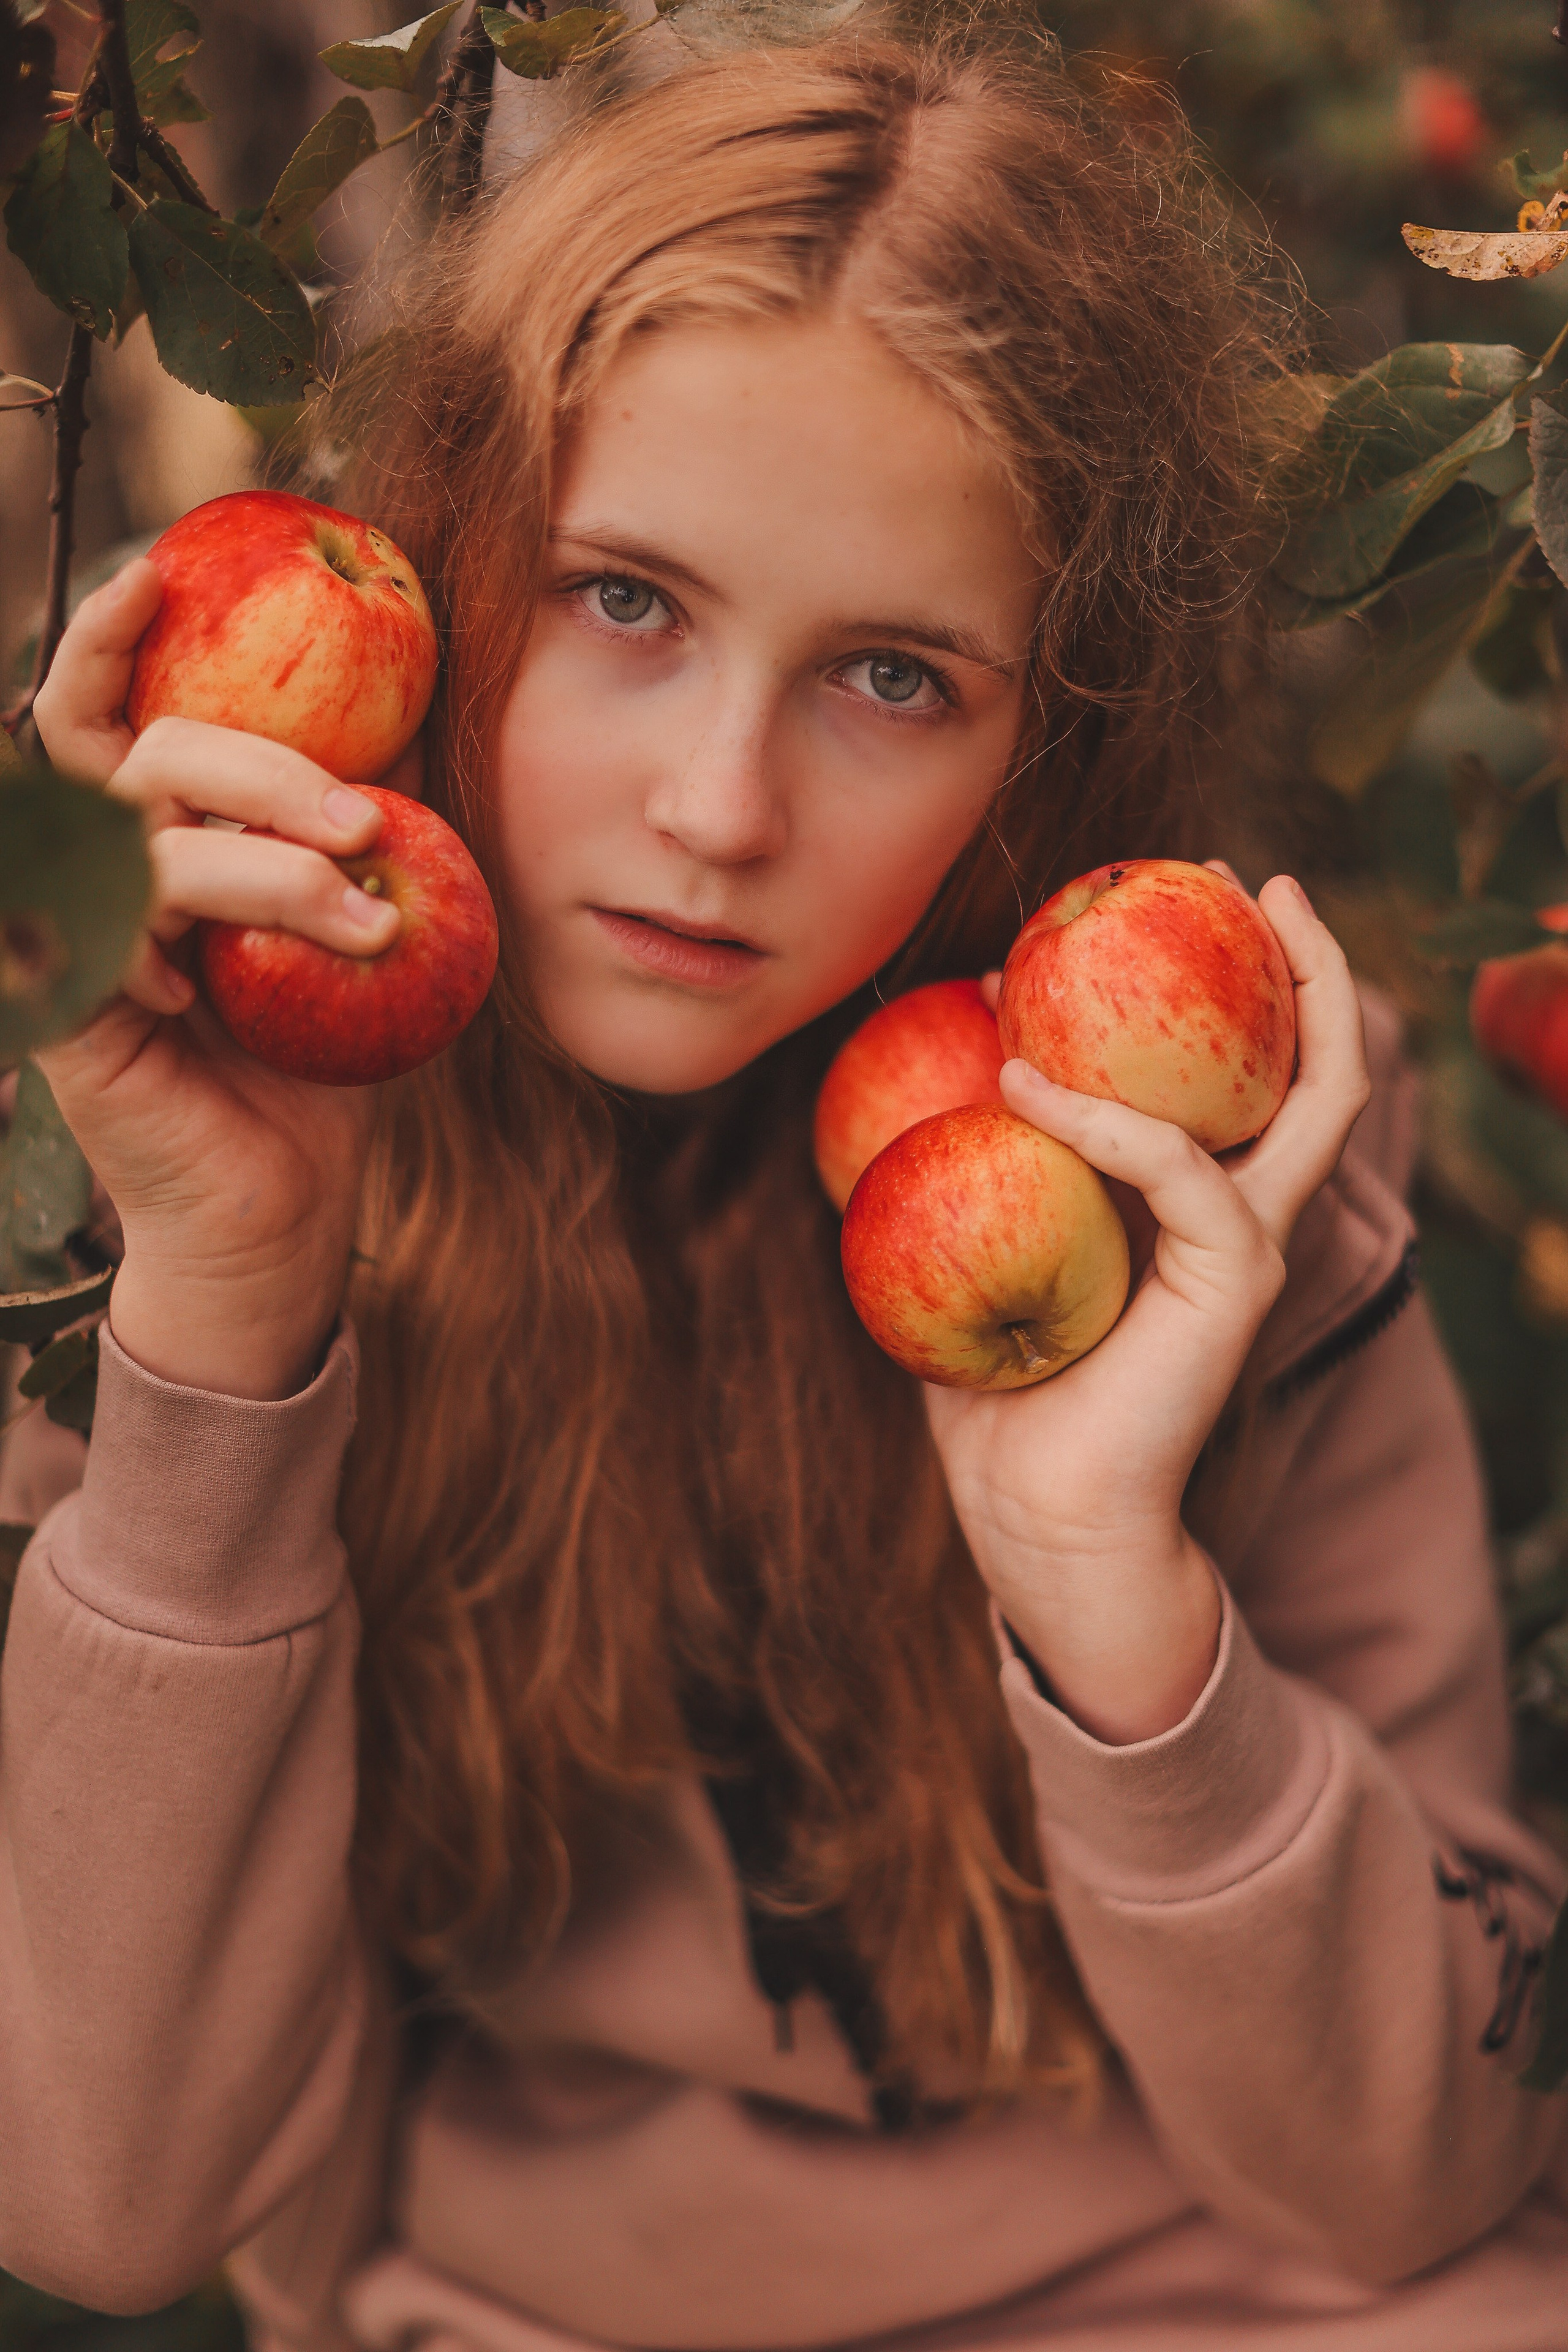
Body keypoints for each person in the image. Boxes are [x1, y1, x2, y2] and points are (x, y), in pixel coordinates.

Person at [2, 26, 1565, 2352]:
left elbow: (1421, 2180)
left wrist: (1109, 1592)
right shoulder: (171, 1190)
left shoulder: (1202, 1204)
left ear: (1060, 742)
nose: (719, 806)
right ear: (441, 573)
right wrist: (224, 1314)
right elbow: (101, 2201)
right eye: (624, 602)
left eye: (898, 677)